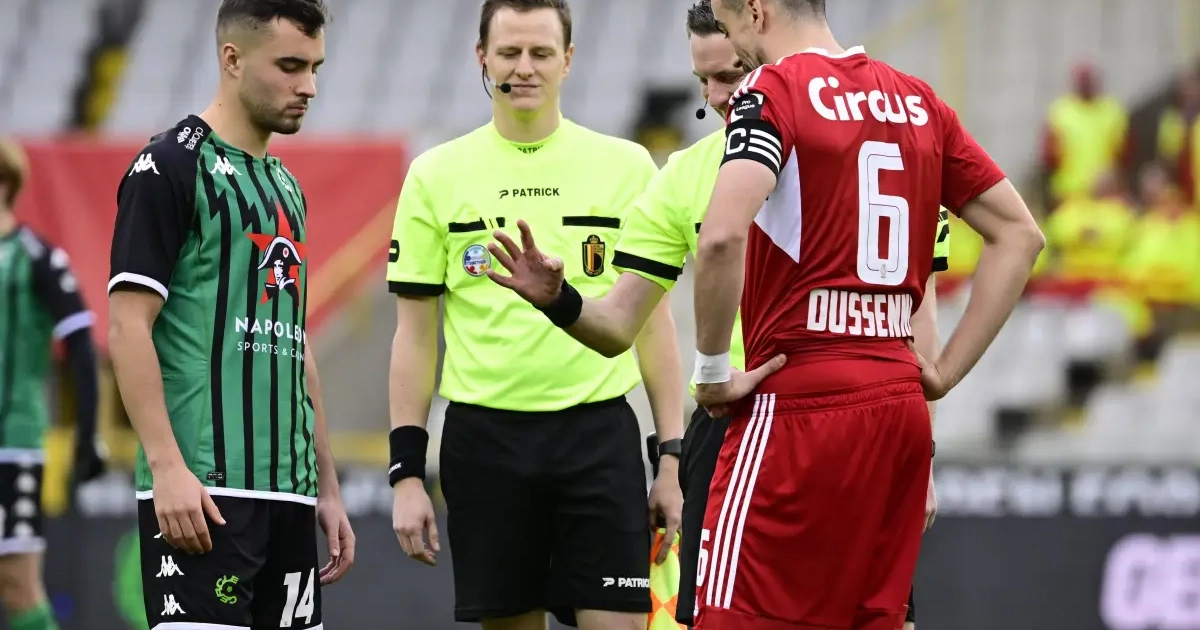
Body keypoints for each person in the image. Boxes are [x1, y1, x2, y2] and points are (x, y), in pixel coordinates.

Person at [484, 3, 946, 629]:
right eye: (703, 81)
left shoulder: (868, 145)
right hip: (732, 425)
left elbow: (918, 317)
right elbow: (618, 326)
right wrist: (560, 301)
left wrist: (925, 457)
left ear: (760, 41)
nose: (719, 97)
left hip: (840, 414)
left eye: (731, 75)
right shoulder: (685, 177)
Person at [685, 0, 1044, 628]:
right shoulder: (918, 101)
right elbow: (1020, 235)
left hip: (799, 400)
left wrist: (713, 369)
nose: (734, 46)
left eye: (730, 23)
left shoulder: (773, 90)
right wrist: (943, 372)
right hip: (898, 404)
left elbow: (719, 237)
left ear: (757, 11)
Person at [386, 1, 684, 629]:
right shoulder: (434, 175)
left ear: (567, 60)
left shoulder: (627, 167)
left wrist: (670, 459)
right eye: (509, 52)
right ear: (482, 58)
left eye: (541, 53)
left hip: (597, 436)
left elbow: (653, 324)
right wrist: (406, 474)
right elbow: (414, 337)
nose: (524, 68)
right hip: (485, 441)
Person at [106, 2, 354, 628]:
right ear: (233, 59)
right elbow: (127, 326)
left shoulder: (286, 187)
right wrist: (167, 467)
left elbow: (294, 344)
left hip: (290, 495)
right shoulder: (168, 166)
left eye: (316, 68)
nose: (309, 86)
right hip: (203, 493)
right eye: (291, 66)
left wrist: (325, 487)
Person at [0, 139, 105, 630]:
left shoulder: (35, 256)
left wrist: (87, 434)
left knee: (16, 582)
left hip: (12, 443)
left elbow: (81, 344)